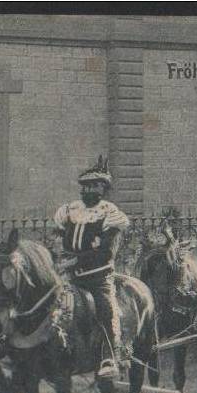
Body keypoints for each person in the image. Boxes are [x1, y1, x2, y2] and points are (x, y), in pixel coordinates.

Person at [53, 156, 130, 380]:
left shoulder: (110, 213)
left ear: (103, 189)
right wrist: (58, 253)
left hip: (97, 277)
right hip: (68, 277)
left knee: (106, 309)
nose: (88, 191)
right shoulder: (70, 210)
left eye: (94, 186)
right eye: (85, 186)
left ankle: (109, 355)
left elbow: (106, 252)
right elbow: (57, 237)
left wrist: (75, 260)